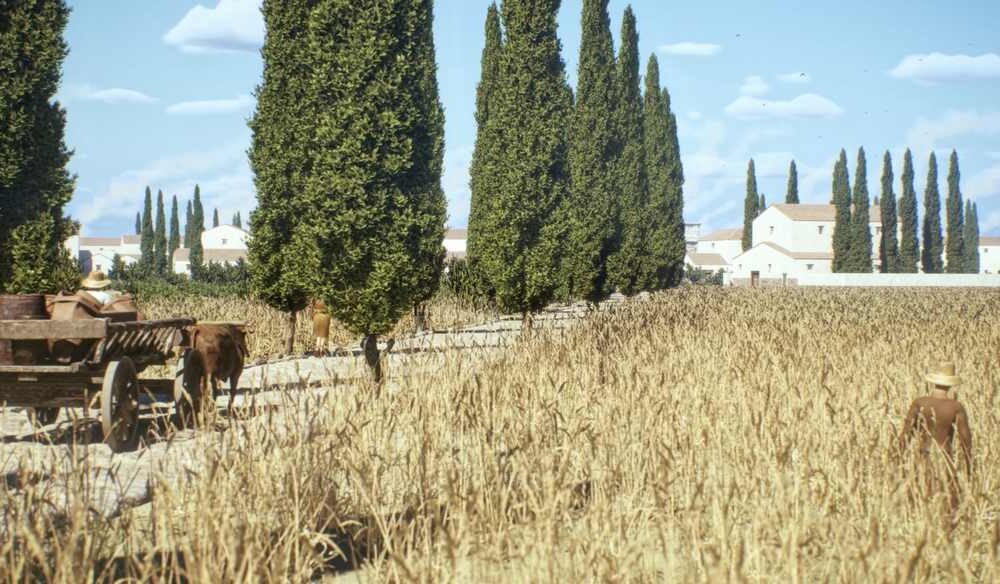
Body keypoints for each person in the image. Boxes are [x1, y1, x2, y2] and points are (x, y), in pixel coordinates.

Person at [897, 361, 973, 522]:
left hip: (922, 457)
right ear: (951, 384)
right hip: (945, 459)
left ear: (935, 381)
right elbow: (966, 440)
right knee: (948, 505)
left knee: (919, 499)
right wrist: (969, 467)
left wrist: (899, 459)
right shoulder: (955, 407)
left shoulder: (919, 403)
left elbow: (905, 435)